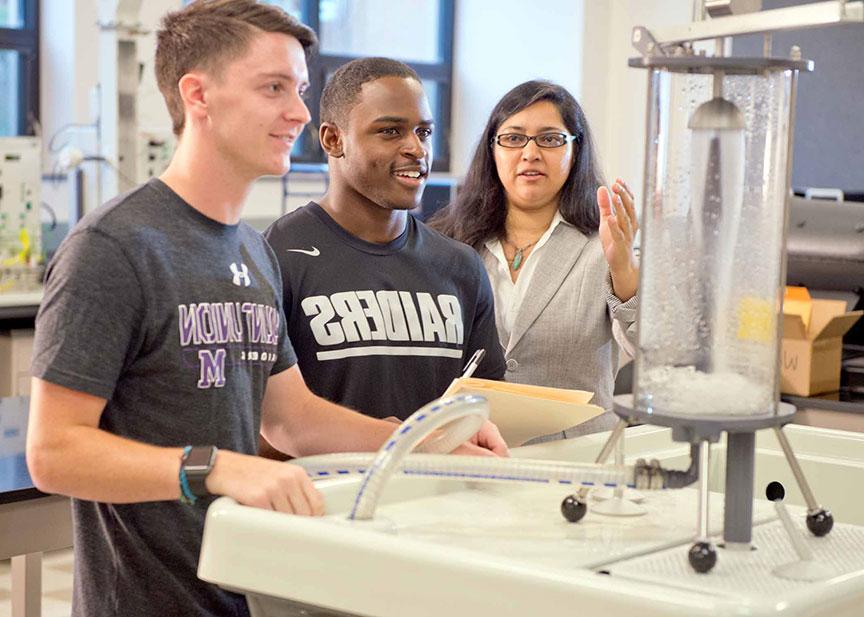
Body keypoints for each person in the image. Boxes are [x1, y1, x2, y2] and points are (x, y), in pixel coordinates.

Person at [26, 3, 505, 616]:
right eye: (274, 88)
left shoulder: (252, 250)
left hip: (240, 588)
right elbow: (53, 453)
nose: (300, 113)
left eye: (301, 90)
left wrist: (425, 443)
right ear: (197, 95)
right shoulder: (115, 248)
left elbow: (293, 420)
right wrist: (218, 468)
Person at [263, 57, 506, 422]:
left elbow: (489, 408)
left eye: (423, 132)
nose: (417, 149)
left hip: (438, 480)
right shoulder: (278, 254)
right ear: (333, 139)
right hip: (324, 481)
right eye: (390, 131)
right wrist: (377, 440)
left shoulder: (460, 266)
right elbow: (256, 425)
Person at [431, 80, 639, 437]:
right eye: (513, 138)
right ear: (492, 150)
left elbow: (654, 353)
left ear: (576, 150)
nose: (530, 153)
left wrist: (623, 268)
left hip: (576, 461)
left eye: (550, 139)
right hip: (469, 452)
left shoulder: (604, 245)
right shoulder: (448, 244)